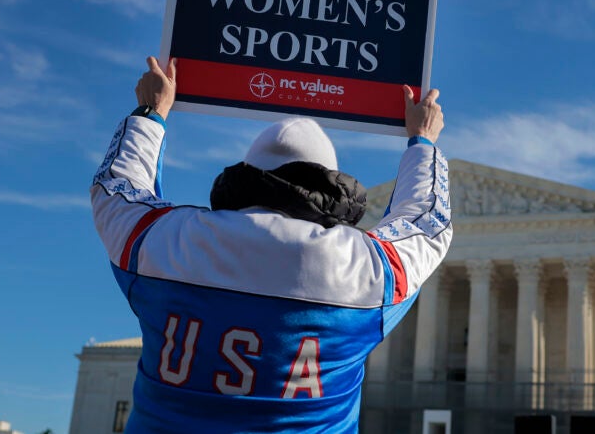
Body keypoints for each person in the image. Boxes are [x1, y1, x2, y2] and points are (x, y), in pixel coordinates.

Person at [91, 56, 452, 433]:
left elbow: (116, 190)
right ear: (331, 190)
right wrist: (422, 139)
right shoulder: (362, 271)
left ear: (246, 177)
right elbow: (426, 220)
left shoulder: (169, 241)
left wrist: (151, 111)